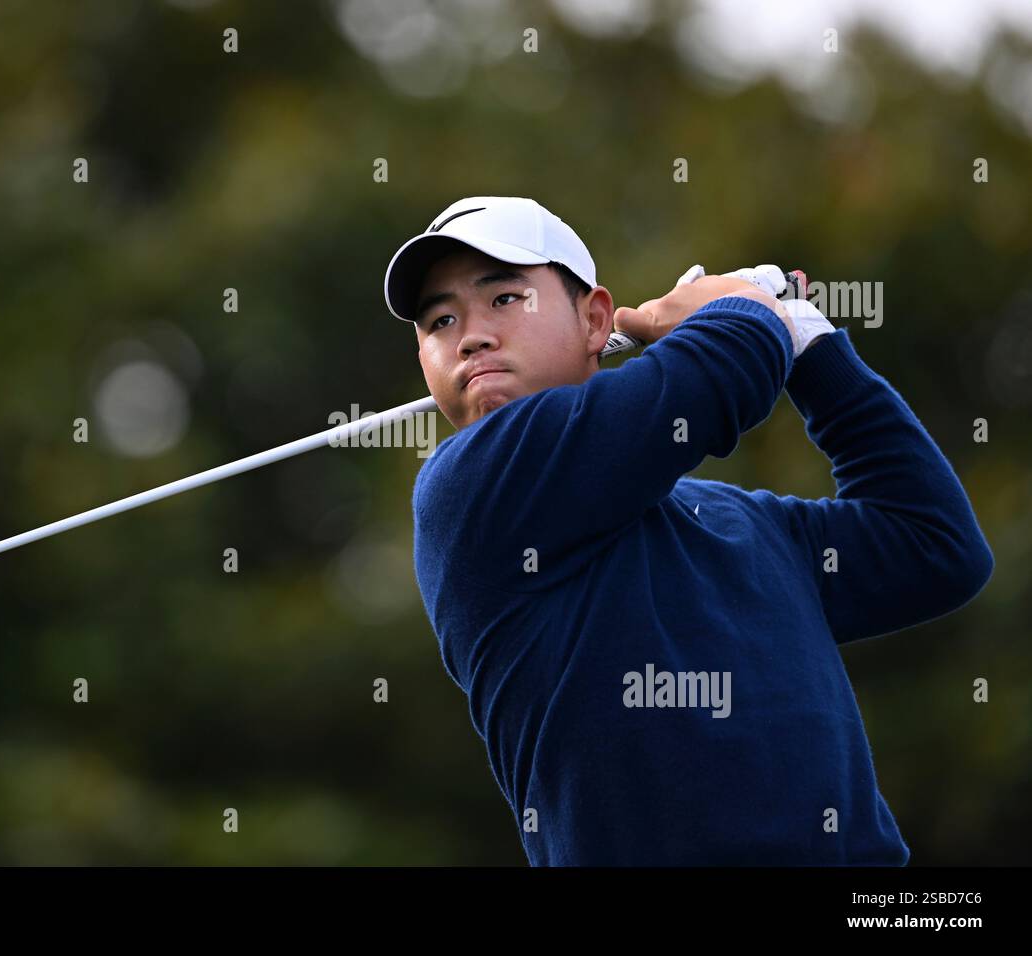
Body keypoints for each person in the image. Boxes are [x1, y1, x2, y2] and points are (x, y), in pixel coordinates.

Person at [383, 196, 995, 865]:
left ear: (595, 321)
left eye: (504, 299)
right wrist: (748, 306)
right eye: (441, 320)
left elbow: (935, 545)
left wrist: (814, 345)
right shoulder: (468, 490)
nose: (470, 335)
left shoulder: (741, 522)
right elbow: (722, 369)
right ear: (426, 361)